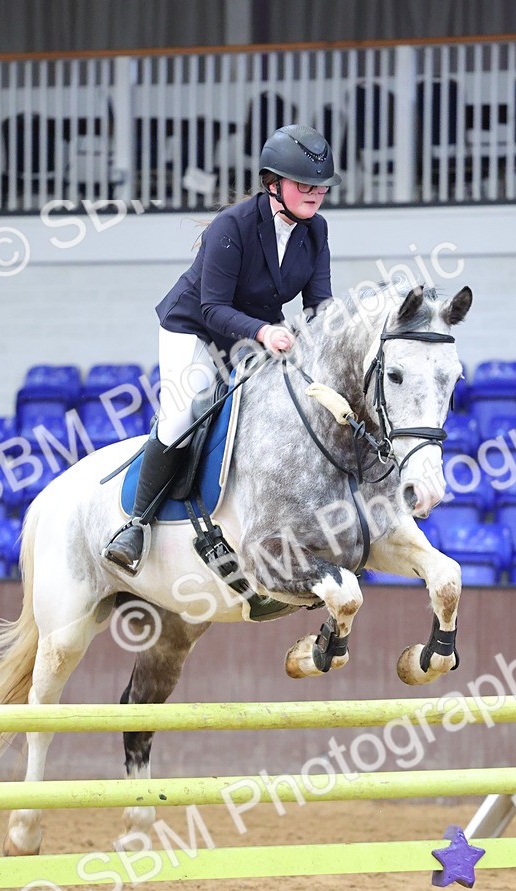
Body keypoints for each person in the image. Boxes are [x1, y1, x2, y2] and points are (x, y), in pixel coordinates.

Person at [103, 123, 341, 574]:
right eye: (304, 184)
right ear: (273, 184)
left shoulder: (316, 231)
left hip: (250, 334)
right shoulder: (231, 227)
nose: (315, 193)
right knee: (184, 409)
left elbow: (319, 307)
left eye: (320, 187)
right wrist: (267, 333)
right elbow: (212, 307)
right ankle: (135, 525)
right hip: (193, 327)